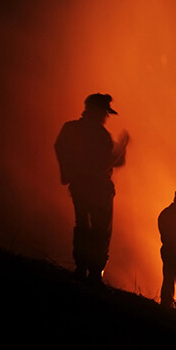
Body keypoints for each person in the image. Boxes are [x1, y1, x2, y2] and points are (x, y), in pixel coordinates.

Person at [54, 93, 128, 285]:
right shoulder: (101, 136)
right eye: (105, 112)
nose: (107, 116)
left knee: (82, 226)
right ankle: (95, 274)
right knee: (100, 231)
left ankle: (80, 268)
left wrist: (67, 174)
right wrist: (122, 146)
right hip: (99, 189)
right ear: (97, 111)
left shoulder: (71, 129)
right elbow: (112, 161)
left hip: (79, 186)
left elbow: (60, 148)